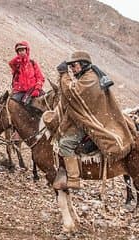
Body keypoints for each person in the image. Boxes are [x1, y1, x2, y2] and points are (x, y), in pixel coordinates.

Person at [45, 51, 136, 190]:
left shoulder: (90, 79)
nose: (72, 69)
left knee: (65, 143)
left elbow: (72, 93)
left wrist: (64, 75)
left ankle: (73, 179)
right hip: (91, 116)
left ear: (83, 64)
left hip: (92, 121)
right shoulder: (88, 76)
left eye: (74, 66)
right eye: (70, 66)